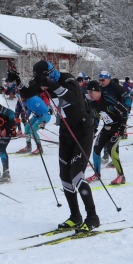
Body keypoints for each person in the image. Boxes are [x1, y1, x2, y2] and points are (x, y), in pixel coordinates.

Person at [20, 61, 100, 233]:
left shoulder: (67, 79)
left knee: (77, 175)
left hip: (83, 131)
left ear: (51, 73)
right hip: (66, 132)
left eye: (44, 77)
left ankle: (92, 218)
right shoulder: (44, 82)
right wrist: (16, 82)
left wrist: (49, 84)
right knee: (65, 176)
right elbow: (25, 94)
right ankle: (75, 216)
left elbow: (72, 97)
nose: (42, 81)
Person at [85, 80, 128, 185]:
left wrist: (122, 127)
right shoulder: (93, 103)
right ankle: (97, 174)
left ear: (98, 91)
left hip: (117, 126)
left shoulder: (108, 98)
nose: (89, 94)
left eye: (91, 92)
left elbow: (124, 111)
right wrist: (93, 130)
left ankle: (121, 176)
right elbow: (97, 117)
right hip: (107, 127)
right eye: (88, 92)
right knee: (96, 148)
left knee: (111, 149)